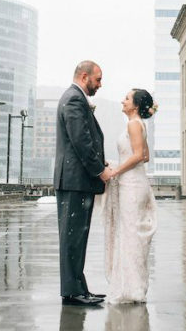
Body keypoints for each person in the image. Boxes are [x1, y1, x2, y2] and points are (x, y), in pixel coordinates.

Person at [54, 60, 112, 306]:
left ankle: (78, 288)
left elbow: (81, 140)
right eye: (98, 79)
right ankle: (72, 292)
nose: (100, 84)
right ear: (84, 76)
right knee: (73, 238)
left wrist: (100, 163)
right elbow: (80, 140)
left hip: (75, 180)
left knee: (76, 237)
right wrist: (100, 170)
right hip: (75, 181)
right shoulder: (74, 99)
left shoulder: (74, 98)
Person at [104, 88, 158, 304]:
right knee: (132, 235)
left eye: (126, 98)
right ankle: (135, 286)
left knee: (130, 236)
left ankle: (132, 288)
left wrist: (116, 170)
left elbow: (138, 156)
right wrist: (117, 164)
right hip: (136, 182)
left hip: (131, 186)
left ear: (135, 105)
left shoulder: (133, 124)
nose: (122, 101)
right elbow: (145, 156)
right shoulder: (140, 124)